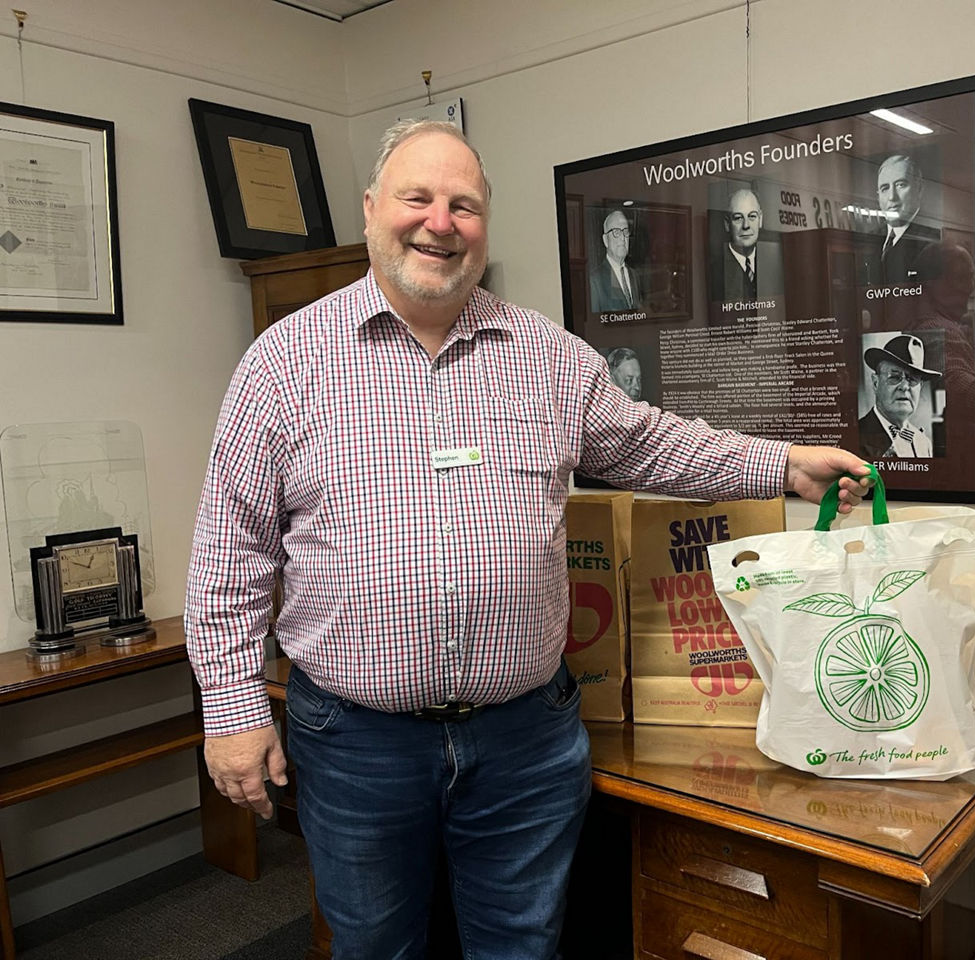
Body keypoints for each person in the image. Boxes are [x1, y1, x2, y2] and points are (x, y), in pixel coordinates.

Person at [185, 119, 872, 960]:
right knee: (375, 948)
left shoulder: (547, 357)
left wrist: (783, 464)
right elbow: (231, 556)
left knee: (522, 945)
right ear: (371, 212)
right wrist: (231, 711)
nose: (441, 221)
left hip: (524, 741)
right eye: (419, 198)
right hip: (358, 745)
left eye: (464, 205)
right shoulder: (283, 363)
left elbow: (653, 443)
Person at [857, 333, 941, 460]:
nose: (904, 386)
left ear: (920, 387)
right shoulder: (855, 436)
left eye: (912, 379)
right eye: (895, 377)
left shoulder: (924, 443)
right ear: (876, 383)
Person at [708, 188, 782, 301]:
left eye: (752, 216)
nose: (746, 225)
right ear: (727, 224)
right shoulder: (716, 269)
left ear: (760, 219)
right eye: (738, 218)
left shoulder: (774, 266)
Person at [876, 154, 939, 284]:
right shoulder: (867, 238)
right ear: (878, 196)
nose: (892, 197)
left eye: (900, 185)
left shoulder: (935, 240)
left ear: (919, 188)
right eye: (885, 188)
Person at [589, 209, 642, 311]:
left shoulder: (634, 275)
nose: (622, 238)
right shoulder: (595, 280)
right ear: (605, 240)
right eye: (616, 232)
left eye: (625, 231)